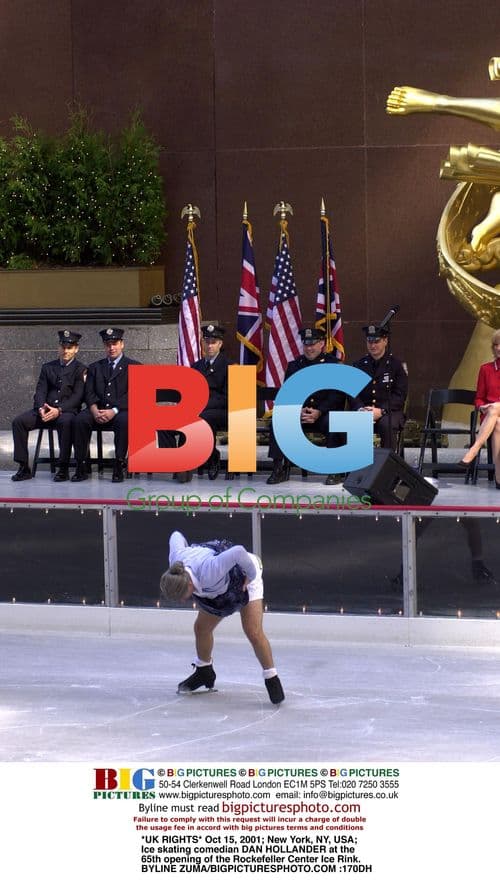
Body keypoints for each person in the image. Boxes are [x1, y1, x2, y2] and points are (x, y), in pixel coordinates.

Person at [160, 530, 285, 705]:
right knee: (201, 628)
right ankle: (204, 671)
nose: (182, 600)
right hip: (217, 590)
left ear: (189, 583)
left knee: (253, 631)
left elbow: (238, 552)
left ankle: (271, 678)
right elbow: (175, 535)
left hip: (244, 576)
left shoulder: (210, 571)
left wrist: (251, 576)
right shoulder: (176, 561)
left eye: (183, 595)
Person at [266, 325, 347, 486]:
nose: (309, 348)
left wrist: (319, 411)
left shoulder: (333, 364)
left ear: (322, 343)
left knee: (334, 422)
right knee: (279, 421)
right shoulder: (295, 365)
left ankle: (335, 470)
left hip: (324, 414)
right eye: (306, 344)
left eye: (313, 344)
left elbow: (337, 396)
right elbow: (288, 393)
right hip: (301, 413)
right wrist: (298, 409)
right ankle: (278, 469)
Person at [11, 329, 86, 483]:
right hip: (44, 410)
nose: (65, 351)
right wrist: (40, 407)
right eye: (63, 347)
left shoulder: (81, 369)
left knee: (66, 422)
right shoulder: (48, 367)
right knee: (18, 422)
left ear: (76, 349)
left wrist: (58, 410)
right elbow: (40, 390)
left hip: (66, 411)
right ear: (58, 347)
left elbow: (78, 397)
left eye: (69, 348)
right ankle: (24, 466)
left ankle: (63, 468)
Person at [159, 323, 231, 482]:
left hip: (220, 410)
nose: (210, 345)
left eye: (214, 342)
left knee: (199, 419)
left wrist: (200, 405)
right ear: (202, 343)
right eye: (207, 341)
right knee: (164, 423)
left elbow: (227, 397)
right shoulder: (196, 366)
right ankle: (176, 462)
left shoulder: (229, 366)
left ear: (220, 344)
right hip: (196, 409)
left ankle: (208, 458)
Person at [71, 327, 141, 483]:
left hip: (121, 410)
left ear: (122, 344)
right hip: (98, 408)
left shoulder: (135, 366)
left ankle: (119, 464)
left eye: (115, 343)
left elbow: (134, 394)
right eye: (108, 344)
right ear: (104, 346)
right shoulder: (95, 367)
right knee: (80, 420)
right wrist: (94, 410)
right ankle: (81, 465)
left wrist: (114, 410)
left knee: (124, 421)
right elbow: (89, 392)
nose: (111, 348)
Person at [351, 323, 408, 450]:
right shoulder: (358, 365)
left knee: (385, 424)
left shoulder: (396, 366)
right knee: (347, 423)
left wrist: (381, 411)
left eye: (376, 341)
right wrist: (361, 410)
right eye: (369, 341)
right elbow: (353, 394)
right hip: (364, 412)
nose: (372, 345)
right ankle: (357, 466)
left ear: (385, 341)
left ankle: (387, 467)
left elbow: (400, 396)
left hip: (390, 412)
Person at [458, 328, 500, 488]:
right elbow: (479, 398)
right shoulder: (486, 369)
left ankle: (474, 449)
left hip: (494, 411)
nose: (499, 348)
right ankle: (499, 479)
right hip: (490, 417)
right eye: (496, 344)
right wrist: (482, 407)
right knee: (497, 423)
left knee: (495, 407)